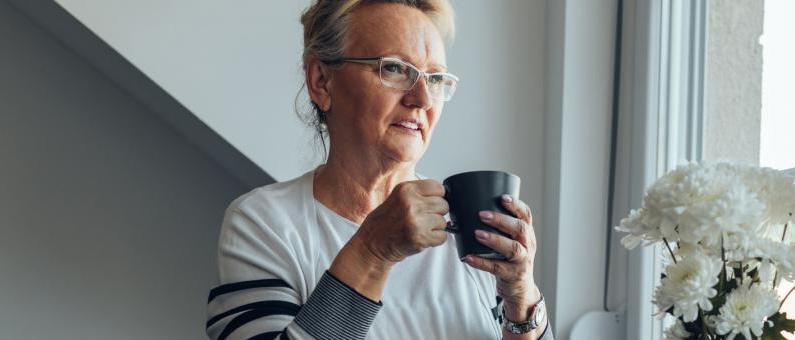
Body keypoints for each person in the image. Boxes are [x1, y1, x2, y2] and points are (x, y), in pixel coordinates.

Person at [204, 1, 552, 339]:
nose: (423, 99)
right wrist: (373, 249)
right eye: (395, 68)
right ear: (322, 81)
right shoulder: (264, 223)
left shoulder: (466, 226)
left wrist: (522, 300)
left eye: (434, 79)